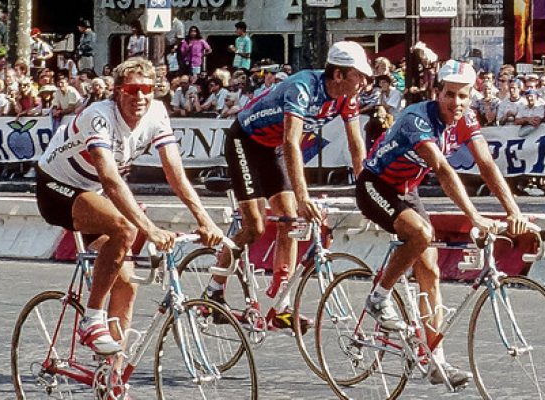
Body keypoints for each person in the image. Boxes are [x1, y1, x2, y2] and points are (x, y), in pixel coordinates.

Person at [357, 59, 529, 388]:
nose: (457, 103)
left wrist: (514, 211)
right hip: (375, 186)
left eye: (464, 96)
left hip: (407, 191)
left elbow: (486, 164)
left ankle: (434, 358)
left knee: (431, 273)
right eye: (450, 95)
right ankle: (378, 297)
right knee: (421, 234)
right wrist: (474, 216)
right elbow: (443, 170)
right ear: (437, 93)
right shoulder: (416, 118)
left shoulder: (466, 118)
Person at [35, 57, 224, 355]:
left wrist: (205, 219)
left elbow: (175, 173)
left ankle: (113, 378)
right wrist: (148, 229)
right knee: (125, 227)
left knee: (127, 284)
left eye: (147, 89)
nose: (140, 97)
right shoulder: (99, 115)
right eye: (132, 89)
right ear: (119, 91)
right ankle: (92, 318)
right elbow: (111, 180)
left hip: (93, 192)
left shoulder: (157, 113)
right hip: (56, 187)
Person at [204, 41, 371, 332]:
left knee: (290, 220)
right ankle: (213, 290)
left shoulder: (348, 97)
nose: (366, 82)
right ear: (340, 75)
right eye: (360, 75)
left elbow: (356, 145)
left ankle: (280, 305)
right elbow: (292, 142)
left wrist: (367, 189)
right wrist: (304, 196)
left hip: (271, 149)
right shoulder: (303, 87)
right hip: (245, 141)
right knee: (255, 226)